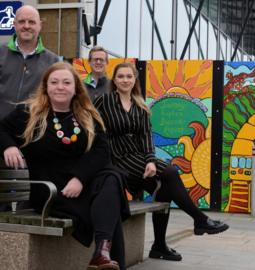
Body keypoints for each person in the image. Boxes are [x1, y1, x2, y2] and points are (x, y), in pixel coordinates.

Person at [0, 62, 129, 270]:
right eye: (54, 82)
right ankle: (103, 253)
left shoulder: (87, 115)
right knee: (110, 202)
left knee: (111, 178)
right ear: (46, 86)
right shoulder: (28, 113)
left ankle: (102, 253)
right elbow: (1, 129)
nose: (60, 87)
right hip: (51, 191)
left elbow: (102, 150)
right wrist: (8, 147)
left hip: (81, 186)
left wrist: (79, 178)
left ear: (76, 88)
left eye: (66, 82)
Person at [94, 62, 229, 262]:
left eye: (129, 76)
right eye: (120, 76)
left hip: (138, 159)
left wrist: (150, 161)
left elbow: (147, 137)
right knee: (171, 173)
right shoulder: (104, 101)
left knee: (165, 188)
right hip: (116, 160)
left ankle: (159, 245)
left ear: (134, 80)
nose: (125, 80)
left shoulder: (140, 105)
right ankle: (200, 219)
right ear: (114, 80)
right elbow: (92, 127)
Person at [0, 5, 58, 120]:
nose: (26, 26)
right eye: (22, 22)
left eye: (31, 22)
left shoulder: (53, 62)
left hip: (34, 130)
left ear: (40, 26)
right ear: (14, 24)